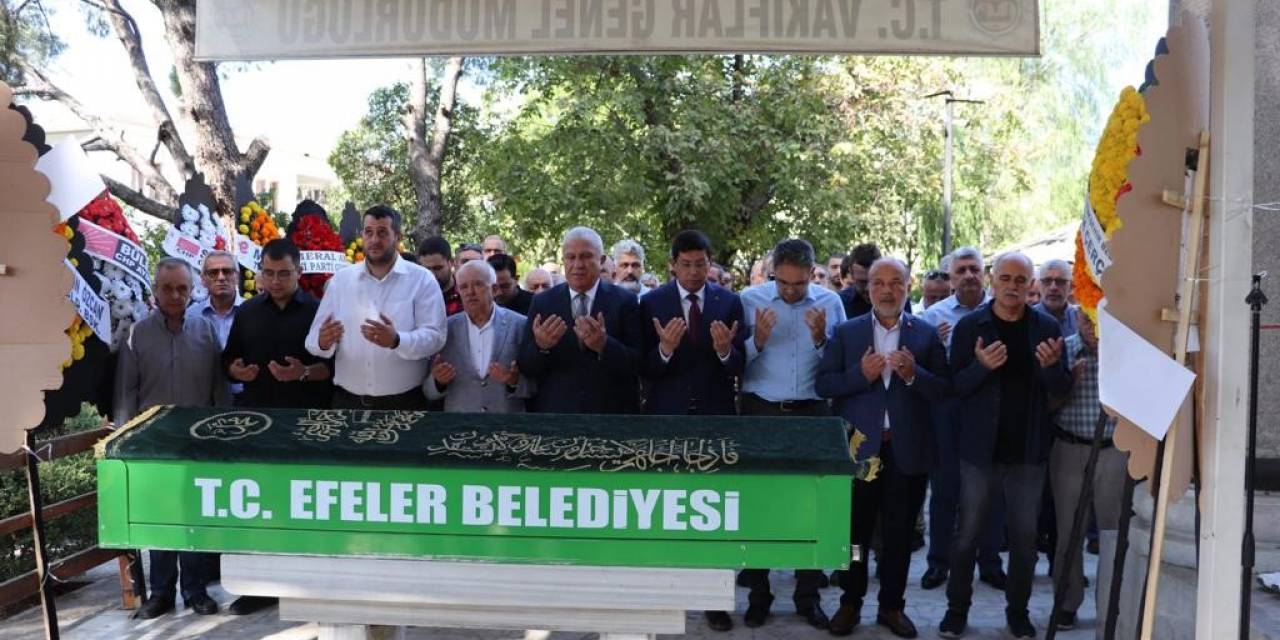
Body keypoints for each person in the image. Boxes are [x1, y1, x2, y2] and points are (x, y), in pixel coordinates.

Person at [938, 252, 1072, 640]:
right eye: (1006, 278)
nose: (1012, 286)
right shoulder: (970, 328)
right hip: (980, 449)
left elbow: (1060, 389)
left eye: (1020, 280)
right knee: (967, 535)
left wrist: (1050, 369)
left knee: (1025, 539)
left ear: (1029, 284)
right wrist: (981, 366)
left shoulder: (1046, 326)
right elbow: (955, 388)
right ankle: (956, 611)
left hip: (1028, 450)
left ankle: (1018, 612)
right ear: (993, 281)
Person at [817, 257, 949, 638]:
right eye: (879, 283)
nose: (887, 290)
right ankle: (850, 602)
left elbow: (943, 391)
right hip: (859, 453)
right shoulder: (846, 333)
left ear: (909, 287)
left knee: (899, 536)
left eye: (896, 283)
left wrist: (913, 375)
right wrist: (861, 375)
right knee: (853, 535)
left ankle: (891, 606)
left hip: (905, 452)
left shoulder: (924, 335)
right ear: (868, 287)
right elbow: (824, 386)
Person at [734, 238, 846, 631]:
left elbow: (837, 365)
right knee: (759, 506)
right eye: (784, 284)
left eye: (799, 285)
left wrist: (820, 340)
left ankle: (807, 595)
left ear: (812, 274)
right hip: (762, 410)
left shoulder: (830, 303)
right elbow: (732, 360)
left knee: (810, 507)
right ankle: (759, 594)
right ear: (771, 273)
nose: (791, 292)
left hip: (813, 413)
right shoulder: (749, 299)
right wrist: (757, 341)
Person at [220, 239, 332, 616]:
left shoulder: (318, 312)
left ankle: (309, 585)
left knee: (304, 504)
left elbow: (332, 369)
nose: (275, 280)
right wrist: (237, 370)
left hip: (307, 425)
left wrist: (301, 373)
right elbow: (229, 360)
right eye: (268, 273)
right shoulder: (248, 312)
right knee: (261, 505)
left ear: (298, 272)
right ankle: (258, 587)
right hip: (259, 425)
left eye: (284, 273)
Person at [115, 257, 229, 619]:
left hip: (198, 441)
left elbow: (218, 390)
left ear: (192, 289)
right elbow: (126, 392)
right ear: (155, 290)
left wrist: (222, 436)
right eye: (168, 288)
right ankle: (161, 593)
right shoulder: (139, 334)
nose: (176, 295)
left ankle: (195, 591)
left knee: (193, 515)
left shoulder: (207, 331)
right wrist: (124, 442)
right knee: (162, 517)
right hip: (155, 441)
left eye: (182, 288)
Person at [919, 246, 1006, 593]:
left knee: (992, 492)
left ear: (984, 275)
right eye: (961, 271)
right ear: (951, 278)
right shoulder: (932, 317)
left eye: (974, 269)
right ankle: (939, 563)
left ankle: (990, 563)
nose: (968, 275)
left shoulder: (1004, 311)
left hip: (991, 413)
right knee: (945, 491)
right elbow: (923, 369)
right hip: (949, 413)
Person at [306, 205, 446, 410]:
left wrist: (397, 340)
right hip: (348, 403)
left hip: (404, 404)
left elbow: (436, 337)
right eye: (369, 232)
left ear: (397, 236)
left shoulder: (421, 279)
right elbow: (312, 340)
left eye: (382, 232)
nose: (374, 240)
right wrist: (323, 341)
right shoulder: (341, 280)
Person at [1048, 307, 1127, 632]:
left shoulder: (1125, 353)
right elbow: (1047, 404)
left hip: (1114, 451)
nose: (1092, 327)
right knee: (1068, 531)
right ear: (1077, 318)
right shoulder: (1061, 350)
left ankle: (1113, 605)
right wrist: (1068, 381)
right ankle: (1066, 605)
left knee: (1112, 533)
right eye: (1086, 318)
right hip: (1069, 448)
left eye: (1099, 320)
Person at [518, 227, 642, 414]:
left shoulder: (625, 302)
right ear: (563, 261)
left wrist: (604, 346)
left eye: (585, 256)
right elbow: (526, 366)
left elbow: (639, 363)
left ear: (601, 261)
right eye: (571, 257)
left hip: (611, 415)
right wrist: (541, 346)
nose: (578, 264)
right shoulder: (543, 302)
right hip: (557, 416)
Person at [640, 229, 745, 418]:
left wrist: (725, 352)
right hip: (667, 410)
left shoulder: (729, 302)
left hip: (716, 410)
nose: (694, 272)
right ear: (673, 265)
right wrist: (664, 350)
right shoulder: (652, 302)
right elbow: (643, 367)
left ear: (709, 263)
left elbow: (740, 365)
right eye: (686, 264)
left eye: (700, 264)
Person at [425, 260, 533, 413]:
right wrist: (438, 382)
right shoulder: (446, 330)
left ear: (495, 289)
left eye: (478, 284)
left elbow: (534, 386)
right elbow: (428, 391)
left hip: (506, 427)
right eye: (463, 287)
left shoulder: (519, 325)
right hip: (460, 429)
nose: (470, 292)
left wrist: (514, 381)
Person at [187, 250, 244, 396]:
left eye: (227, 271)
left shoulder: (254, 312)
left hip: (247, 399)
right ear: (203, 279)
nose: (221, 277)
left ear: (237, 276)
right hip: (205, 400)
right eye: (213, 272)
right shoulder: (191, 316)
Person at [418, 236, 463, 316]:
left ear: (451, 262)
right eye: (426, 269)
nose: (432, 275)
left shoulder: (466, 294)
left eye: (437, 268)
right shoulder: (415, 296)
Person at [1034, 258, 1077, 337]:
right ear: (1039, 285)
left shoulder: (1081, 318)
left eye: (1060, 281)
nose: (1053, 287)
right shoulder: (1026, 318)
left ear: (1071, 287)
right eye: (1047, 281)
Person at [839, 243, 880, 319]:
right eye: (862, 282)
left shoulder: (899, 301)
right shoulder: (840, 302)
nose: (868, 288)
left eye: (874, 281)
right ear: (851, 274)